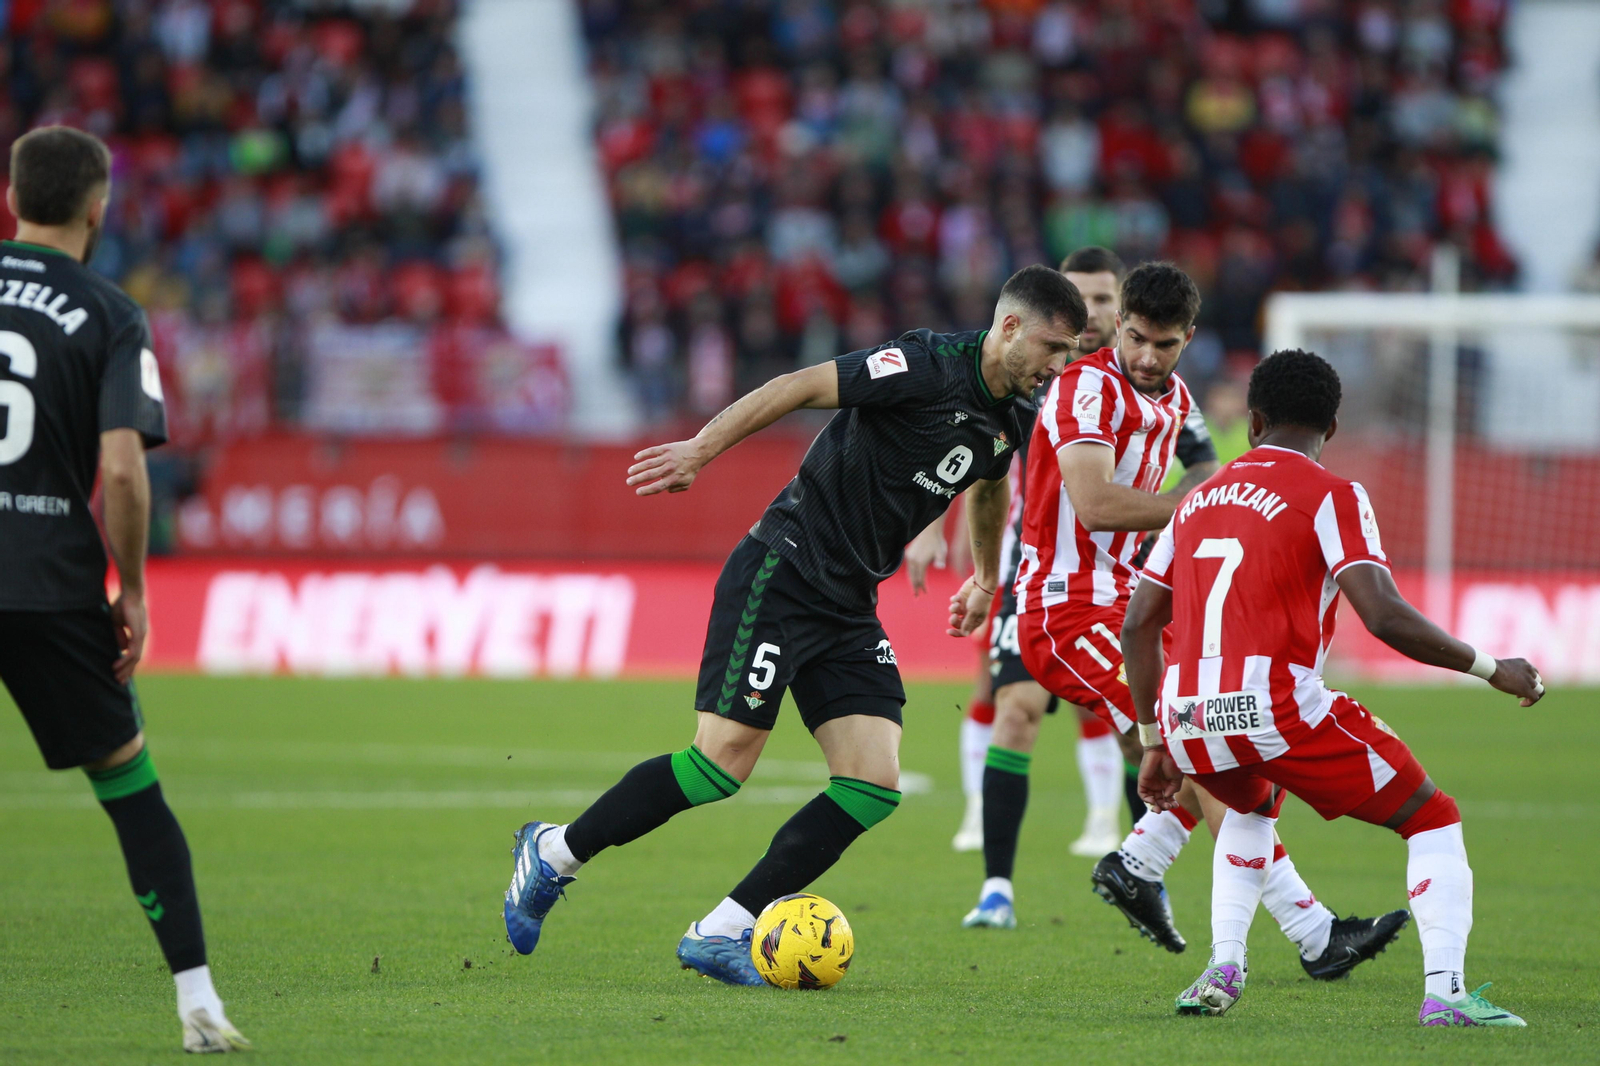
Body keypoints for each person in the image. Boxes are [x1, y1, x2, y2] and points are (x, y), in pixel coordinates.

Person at [501, 265, 1088, 984]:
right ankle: (554, 852)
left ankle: (723, 929)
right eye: (1054, 349)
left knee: (872, 782)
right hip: (783, 570)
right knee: (720, 765)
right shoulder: (927, 364)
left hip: (846, 605)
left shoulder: (1013, 419)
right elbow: (800, 386)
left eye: (1071, 355)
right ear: (1008, 329)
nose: (1060, 367)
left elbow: (991, 484)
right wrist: (699, 451)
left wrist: (987, 575)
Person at [1126, 348, 1542, 1025]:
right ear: (1334, 428)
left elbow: (1139, 621)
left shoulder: (1194, 500)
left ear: (1254, 422)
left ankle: (1221, 969)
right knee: (1431, 817)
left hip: (1188, 713)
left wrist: (1153, 739)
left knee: (1252, 810)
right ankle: (1447, 995)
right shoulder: (1332, 494)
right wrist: (1493, 668)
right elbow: (1383, 616)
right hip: (1277, 706)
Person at [1015, 263, 1404, 976]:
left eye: (1163, 345)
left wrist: (1218, 499)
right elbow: (1096, 505)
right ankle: (1314, 934)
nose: (1144, 357)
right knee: (1205, 752)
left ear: (1188, 339)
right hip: (1065, 607)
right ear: (1122, 324)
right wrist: (1205, 502)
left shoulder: (1180, 401)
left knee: (1227, 729)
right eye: (1134, 338)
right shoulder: (1085, 387)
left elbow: (1199, 485)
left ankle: (1142, 859)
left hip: (1130, 599)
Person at [0, 127, 249, 1053]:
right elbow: (125, 471)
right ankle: (196, 1003)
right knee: (130, 789)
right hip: (52, 582)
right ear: (98, 205)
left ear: (12, 195)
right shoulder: (108, 313)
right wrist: (133, 589)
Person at [958, 247, 1218, 930]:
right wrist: (979, 568)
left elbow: (1203, 466)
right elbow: (979, 459)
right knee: (1016, 707)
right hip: (1035, 574)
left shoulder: (1164, 391)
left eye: (1102, 300)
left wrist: (1206, 500)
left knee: (1144, 736)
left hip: (1121, 587)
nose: (1091, 314)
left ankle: (1138, 868)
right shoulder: (1040, 372)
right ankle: (996, 888)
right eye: (1079, 302)